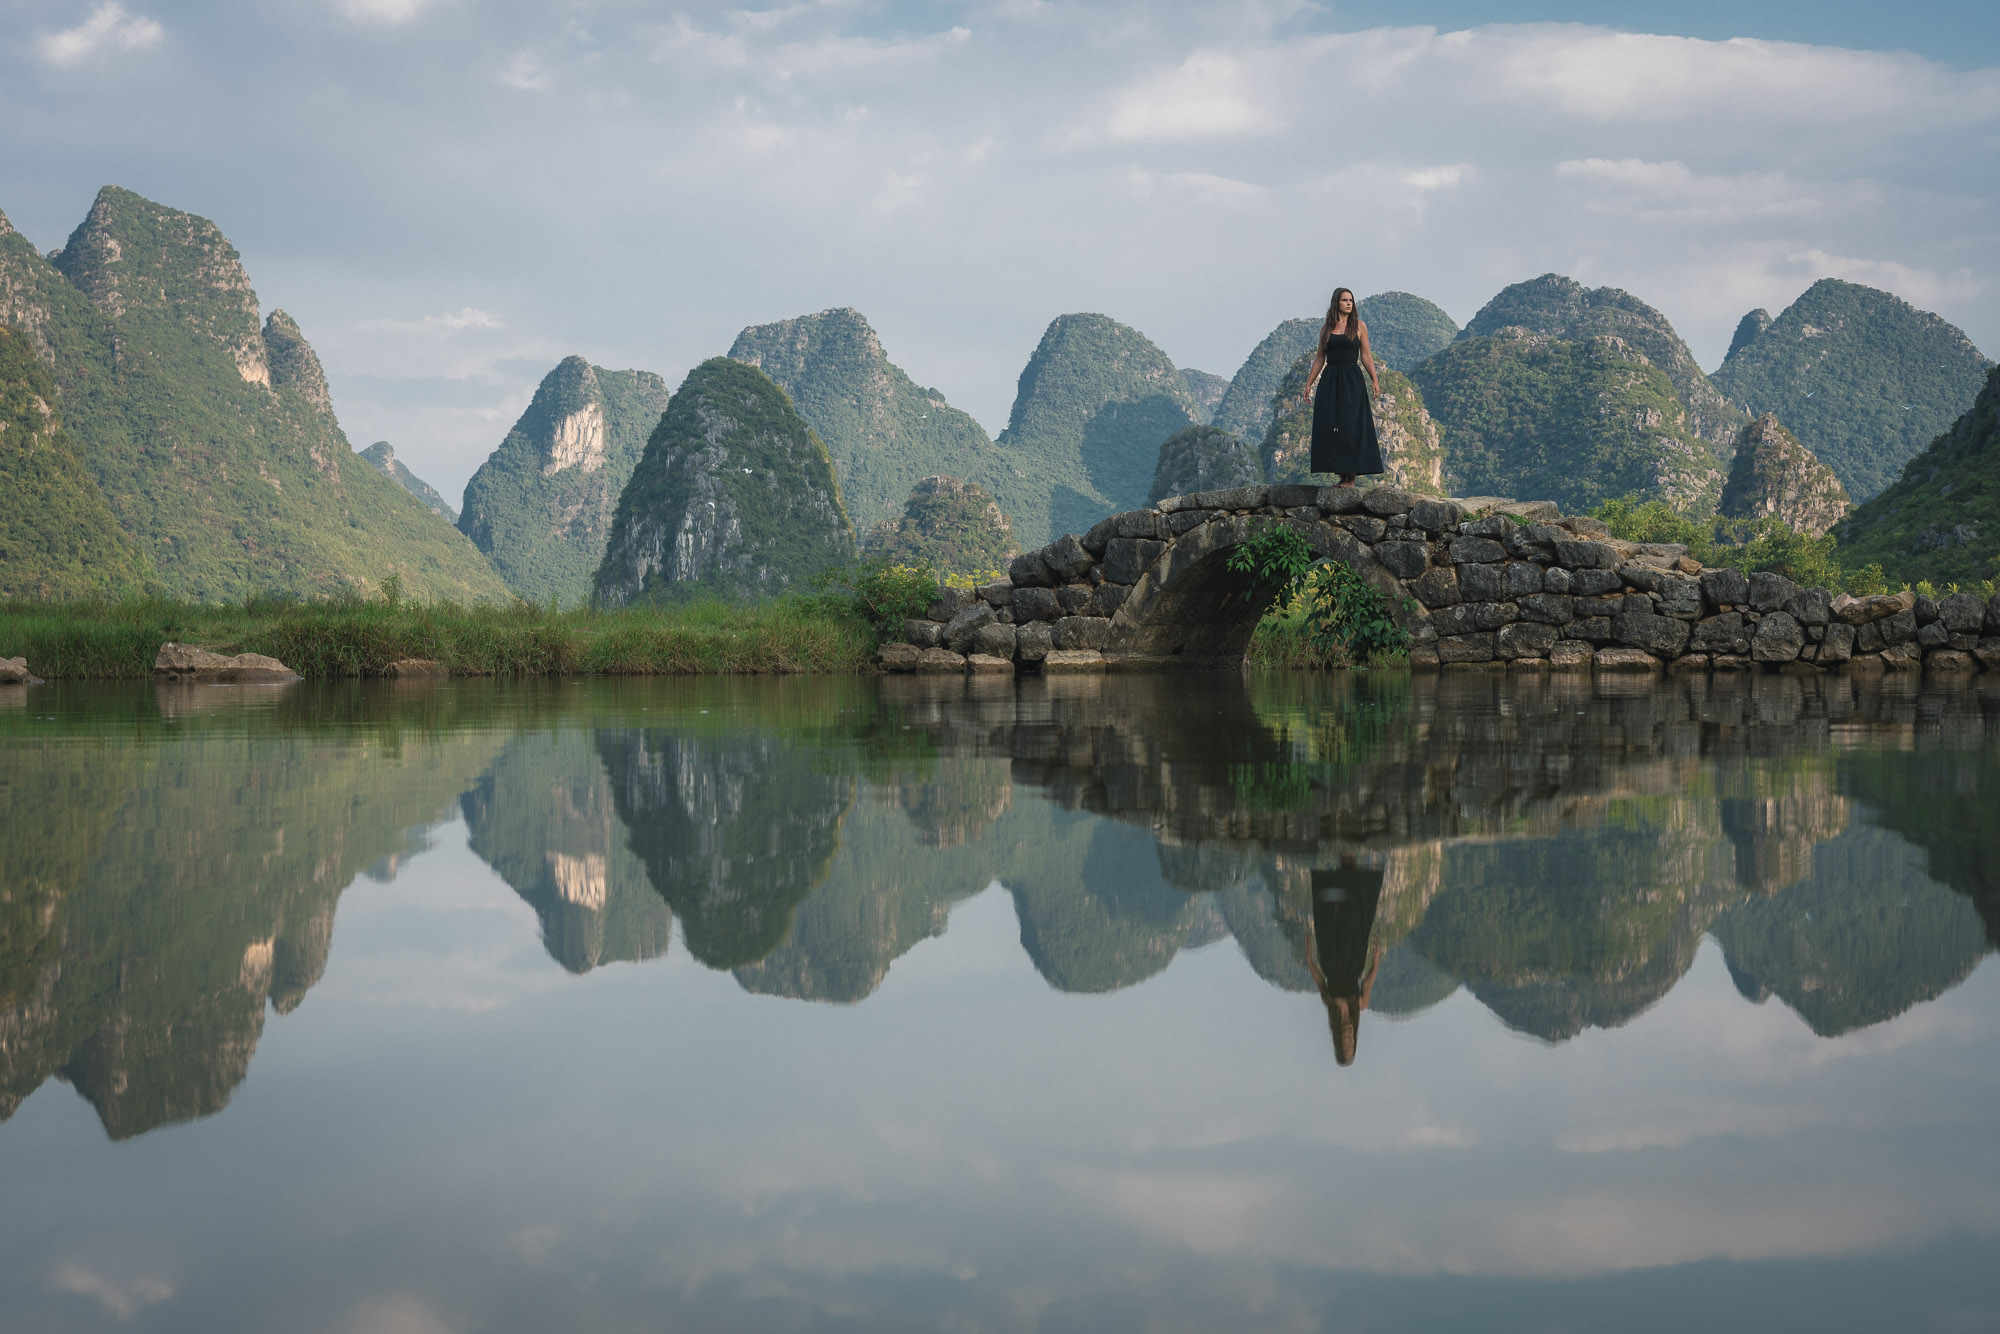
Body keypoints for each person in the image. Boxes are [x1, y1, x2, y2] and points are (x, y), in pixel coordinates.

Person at [1301, 287, 1385, 487]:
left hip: (1351, 379)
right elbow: (1320, 358)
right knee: (1329, 424)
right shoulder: (1326, 328)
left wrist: (1374, 380)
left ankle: (1352, 477)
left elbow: (1365, 356)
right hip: (1330, 379)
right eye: (1345, 300)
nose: (1349, 303)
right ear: (1336, 303)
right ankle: (1341, 473)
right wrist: (1308, 384)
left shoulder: (1359, 326)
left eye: (1351, 300)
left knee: (1350, 425)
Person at [1306, 859, 1385, 1066]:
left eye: (1345, 1042)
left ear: (1338, 1040)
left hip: (1330, 953)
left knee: (1333, 911)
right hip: (1353, 955)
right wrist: (1375, 961)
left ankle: (1344, 864)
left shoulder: (1329, 1003)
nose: (1349, 1037)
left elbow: (1320, 980)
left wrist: (1309, 958)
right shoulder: (1360, 1005)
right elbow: (1367, 983)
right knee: (1352, 913)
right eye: (1352, 1041)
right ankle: (1349, 863)